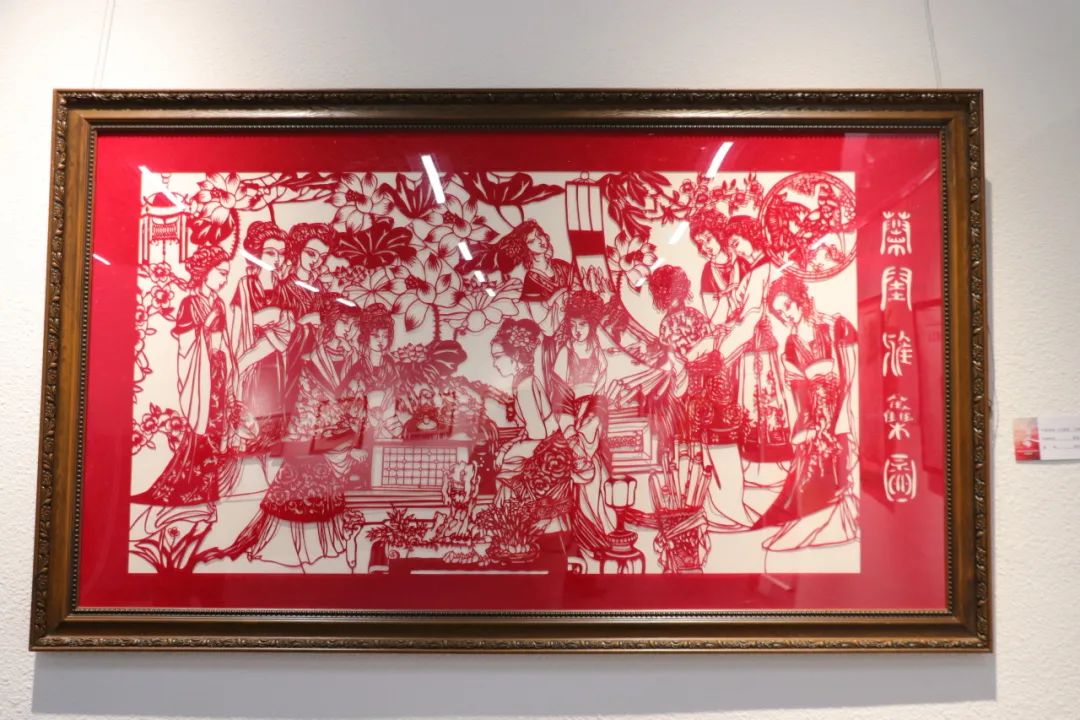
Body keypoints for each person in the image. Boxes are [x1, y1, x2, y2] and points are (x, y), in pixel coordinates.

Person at [211, 300, 368, 569]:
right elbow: (304, 399)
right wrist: (310, 436)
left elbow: (359, 401)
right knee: (301, 485)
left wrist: (355, 438)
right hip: (310, 435)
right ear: (331, 323)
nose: (349, 329)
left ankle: (323, 552)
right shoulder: (310, 356)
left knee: (326, 496)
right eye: (344, 322)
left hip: (340, 437)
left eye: (354, 324)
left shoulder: (355, 358)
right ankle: (294, 551)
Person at [752, 273, 858, 551]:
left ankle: (830, 521)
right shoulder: (791, 342)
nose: (785, 315)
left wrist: (841, 416)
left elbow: (852, 373)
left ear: (800, 299)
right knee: (806, 461)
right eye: (779, 312)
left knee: (830, 462)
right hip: (813, 411)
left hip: (839, 406)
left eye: (787, 306)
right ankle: (806, 520)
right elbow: (797, 390)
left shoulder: (833, 326)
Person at [647, 265, 755, 528]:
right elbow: (697, 352)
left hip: (697, 390)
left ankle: (718, 508)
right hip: (708, 387)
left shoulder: (670, 324)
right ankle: (721, 507)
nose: (670, 296)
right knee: (710, 447)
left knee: (701, 448)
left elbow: (678, 362)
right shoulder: (693, 316)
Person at [716, 216, 793, 473]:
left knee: (760, 397)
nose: (736, 251)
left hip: (758, 345)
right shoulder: (759, 269)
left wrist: (720, 354)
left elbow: (750, 315)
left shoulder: (762, 270)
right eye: (732, 247)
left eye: (737, 243)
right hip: (758, 344)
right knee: (759, 399)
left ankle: (767, 462)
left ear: (750, 236)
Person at [231, 221, 295, 464]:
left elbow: (288, 328)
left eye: (281, 254)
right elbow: (238, 325)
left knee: (274, 408)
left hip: (275, 361)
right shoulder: (245, 285)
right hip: (250, 360)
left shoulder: (284, 288)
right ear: (257, 253)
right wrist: (268, 321)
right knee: (249, 404)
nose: (277, 259)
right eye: (270, 252)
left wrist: (270, 325)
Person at [689, 210, 742, 324]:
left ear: (719, 234)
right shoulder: (708, 271)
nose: (705, 247)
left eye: (708, 239)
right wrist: (725, 298)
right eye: (700, 243)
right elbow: (712, 317)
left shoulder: (741, 259)